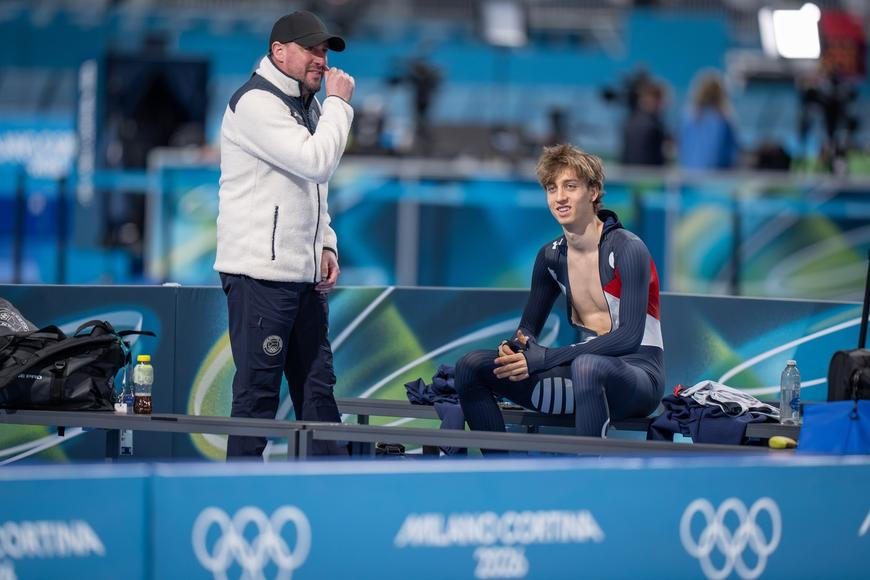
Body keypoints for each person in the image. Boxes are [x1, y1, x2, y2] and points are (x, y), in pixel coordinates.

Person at [214, 11, 355, 459]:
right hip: (260, 276)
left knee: (318, 394)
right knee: (257, 397)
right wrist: (341, 105)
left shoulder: (305, 102)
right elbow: (316, 162)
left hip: (302, 276)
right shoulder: (255, 102)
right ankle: (241, 502)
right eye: (312, 49)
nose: (321, 59)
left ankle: (328, 498)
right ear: (278, 51)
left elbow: (312, 187)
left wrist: (325, 242)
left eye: (324, 51)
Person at [454, 144, 664, 446]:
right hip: (582, 375)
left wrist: (547, 358)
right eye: (552, 188)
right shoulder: (550, 257)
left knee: (588, 366)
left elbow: (630, 336)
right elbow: (528, 329)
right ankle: (503, 478)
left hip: (639, 375)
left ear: (593, 192)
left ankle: (586, 480)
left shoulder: (628, 248)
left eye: (570, 187)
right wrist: (515, 348)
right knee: (470, 366)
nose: (559, 197)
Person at [678, 71, 738, 170]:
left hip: (689, 178)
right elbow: (733, 153)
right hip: (716, 179)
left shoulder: (688, 118)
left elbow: (681, 149)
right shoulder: (723, 120)